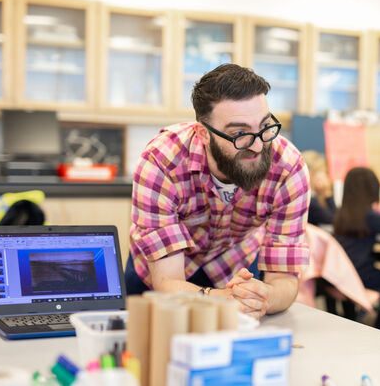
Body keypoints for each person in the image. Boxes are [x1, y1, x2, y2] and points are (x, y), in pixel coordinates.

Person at [126, 64, 310, 319]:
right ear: (203, 133)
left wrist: (264, 297)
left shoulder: (289, 169)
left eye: (264, 126)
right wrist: (224, 299)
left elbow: (284, 281)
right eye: (240, 133)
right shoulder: (161, 162)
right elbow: (167, 282)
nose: (258, 146)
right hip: (161, 272)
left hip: (234, 267)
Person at [302, 150, 336, 226]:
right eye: (322, 172)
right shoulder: (310, 201)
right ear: (310, 173)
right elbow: (335, 219)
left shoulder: (310, 198)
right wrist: (328, 193)